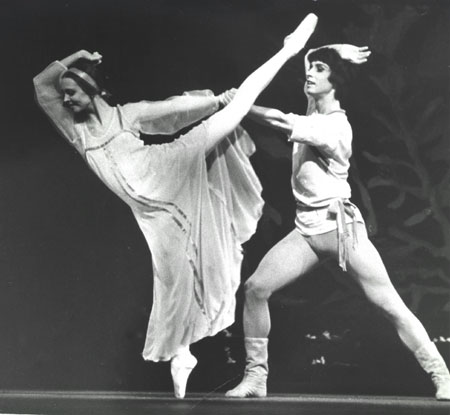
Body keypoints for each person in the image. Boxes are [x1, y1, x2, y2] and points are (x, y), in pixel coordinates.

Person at [33, 13, 319, 398]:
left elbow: (172, 110)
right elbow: (41, 85)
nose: (66, 99)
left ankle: (288, 49)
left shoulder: (126, 114)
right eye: (65, 94)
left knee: (236, 108)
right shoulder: (75, 129)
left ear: (93, 90)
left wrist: (218, 101)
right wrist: (76, 56)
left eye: (74, 91)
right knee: (172, 279)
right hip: (154, 210)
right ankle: (182, 353)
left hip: (172, 164)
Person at [225, 43, 450, 400]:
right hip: (306, 231)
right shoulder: (314, 109)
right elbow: (307, 57)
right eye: (310, 69)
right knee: (255, 289)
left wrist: (239, 105)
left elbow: (281, 120)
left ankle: (442, 375)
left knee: (389, 305)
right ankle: (256, 377)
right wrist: (330, 50)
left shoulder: (333, 127)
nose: (310, 73)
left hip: (340, 229)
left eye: (320, 70)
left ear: (336, 82)